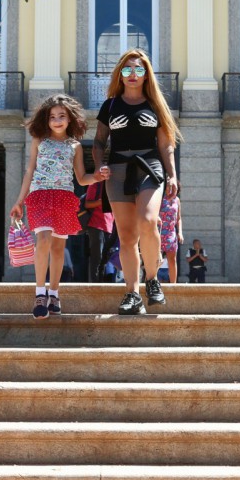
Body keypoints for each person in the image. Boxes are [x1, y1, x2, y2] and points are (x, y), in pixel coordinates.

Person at [92, 49, 181, 315]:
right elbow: (99, 142)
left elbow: (166, 144)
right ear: (120, 74)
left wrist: (172, 174)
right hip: (117, 170)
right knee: (127, 236)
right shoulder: (110, 106)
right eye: (127, 69)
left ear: (146, 75)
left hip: (150, 168)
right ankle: (132, 293)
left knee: (148, 220)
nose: (133, 74)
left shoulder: (155, 105)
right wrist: (99, 166)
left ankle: (152, 279)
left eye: (139, 69)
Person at [11, 93, 107, 318]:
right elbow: (29, 171)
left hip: (64, 198)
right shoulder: (39, 140)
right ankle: (40, 294)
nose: (57, 120)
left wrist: (97, 177)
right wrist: (19, 201)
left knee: (57, 248)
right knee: (43, 239)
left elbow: (81, 178)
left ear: (69, 118)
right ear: (46, 119)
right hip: (40, 196)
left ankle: (54, 294)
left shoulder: (75, 146)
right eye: (52, 116)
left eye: (61, 116)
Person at [84, 180, 114, 281]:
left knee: (105, 259)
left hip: (109, 227)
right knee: (97, 257)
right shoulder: (95, 184)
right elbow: (87, 204)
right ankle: (94, 284)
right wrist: (101, 201)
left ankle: (101, 283)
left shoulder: (114, 185)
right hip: (96, 225)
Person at [159, 192, 182, 284]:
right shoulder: (160, 197)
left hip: (171, 232)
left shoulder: (177, 199)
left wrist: (180, 232)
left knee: (172, 260)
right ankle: (151, 282)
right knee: (155, 260)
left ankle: (173, 285)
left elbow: (179, 218)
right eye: (168, 186)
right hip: (158, 231)